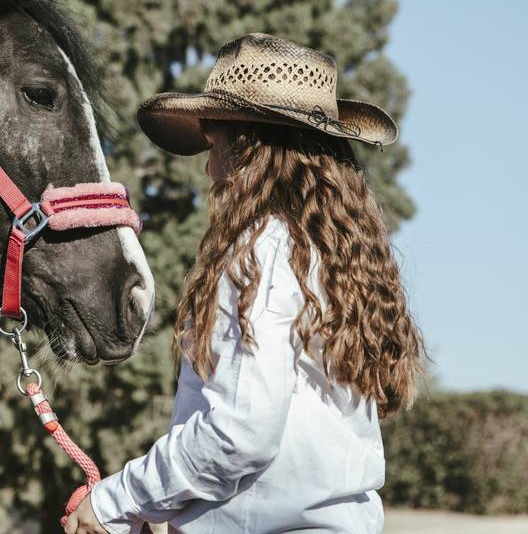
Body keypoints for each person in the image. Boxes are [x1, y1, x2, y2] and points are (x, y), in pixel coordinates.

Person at [64, 33, 425, 534]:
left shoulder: (263, 250)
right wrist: (167, 509)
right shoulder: (328, 254)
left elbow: (241, 431)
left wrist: (119, 500)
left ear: (250, 150)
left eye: (215, 146)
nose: (209, 169)